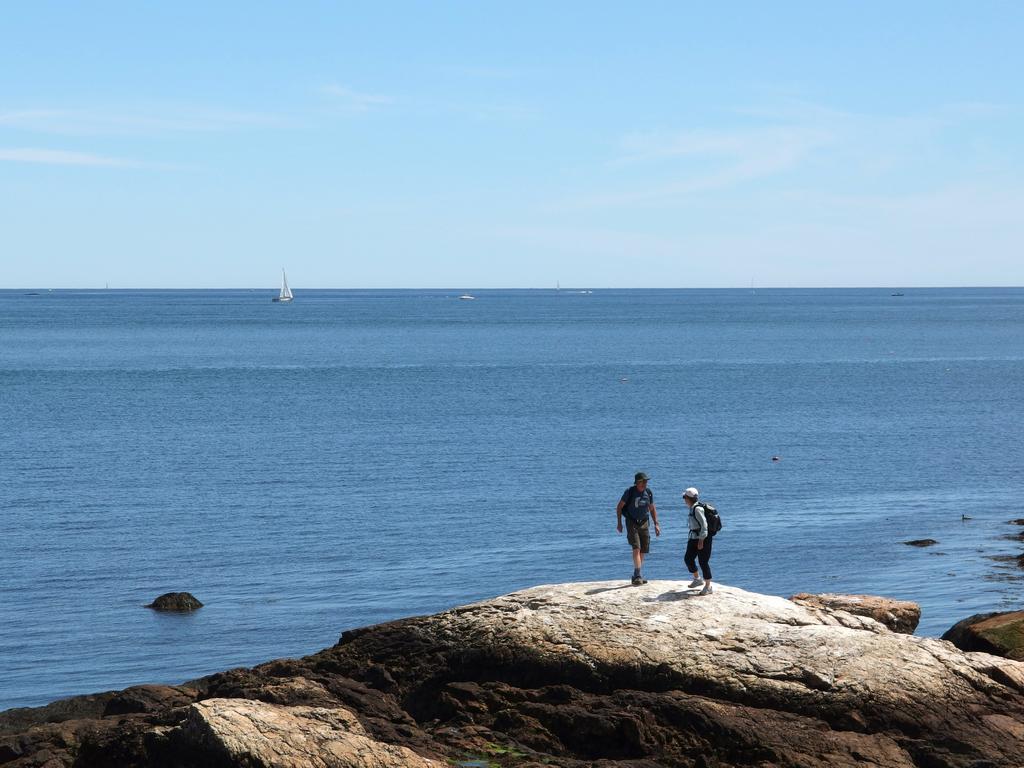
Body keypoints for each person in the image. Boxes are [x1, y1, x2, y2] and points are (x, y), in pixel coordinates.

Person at [616, 472, 661, 585]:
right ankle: (638, 574)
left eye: (646, 481)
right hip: (632, 522)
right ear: (637, 482)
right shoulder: (630, 492)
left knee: (643, 549)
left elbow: (652, 508)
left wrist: (656, 524)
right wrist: (619, 523)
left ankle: (638, 573)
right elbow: (619, 507)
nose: (645, 484)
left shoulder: (648, 493)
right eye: (642, 482)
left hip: (645, 522)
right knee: (636, 547)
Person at [683, 487, 713, 595]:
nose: (684, 500)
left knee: (703, 562)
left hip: (703, 538)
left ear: (688, 498)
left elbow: (704, 526)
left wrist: (701, 540)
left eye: (684, 497)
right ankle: (697, 579)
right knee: (688, 558)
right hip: (693, 537)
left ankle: (708, 586)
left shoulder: (697, 509)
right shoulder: (692, 507)